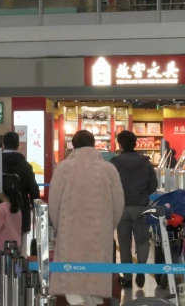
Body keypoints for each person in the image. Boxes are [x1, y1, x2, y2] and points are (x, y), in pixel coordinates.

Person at [48, 130, 124, 304]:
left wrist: (60, 226)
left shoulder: (64, 168)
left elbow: (54, 204)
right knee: (95, 277)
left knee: (71, 279)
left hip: (70, 234)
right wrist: (108, 226)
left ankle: (75, 298)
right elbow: (119, 204)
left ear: (73, 145)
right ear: (93, 143)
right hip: (99, 234)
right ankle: (93, 299)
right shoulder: (108, 169)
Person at [111, 130, 160, 288]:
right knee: (143, 241)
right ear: (135, 143)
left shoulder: (115, 163)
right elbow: (153, 185)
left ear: (120, 144)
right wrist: (142, 194)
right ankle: (141, 271)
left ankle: (127, 277)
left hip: (122, 208)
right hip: (141, 208)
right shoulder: (145, 163)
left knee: (124, 243)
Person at [0, 131, 41, 233]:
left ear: (3, 145)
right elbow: (33, 189)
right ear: (18, 146)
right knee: (18, 243)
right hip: (19, 210)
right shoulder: (24, 166)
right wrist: (35, 206)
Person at [0, 184, 24, 302]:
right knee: (15, 272)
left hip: (0, 247)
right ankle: (15, 296)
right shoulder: (16, 208)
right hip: (15, 246)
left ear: (3, 193)